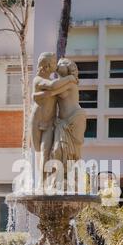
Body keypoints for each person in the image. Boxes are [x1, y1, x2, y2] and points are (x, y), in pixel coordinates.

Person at [31, 52, 76, 190]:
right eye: (54, 63)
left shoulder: (56, 83)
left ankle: (43, 184)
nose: (56, 65)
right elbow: (51, 87)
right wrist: (70, 78)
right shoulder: (38, 80)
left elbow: (57, 90)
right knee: (38, 152)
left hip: (49, 123)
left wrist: (69, 81)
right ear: (48, 65)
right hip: (37, 122)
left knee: (46, 152)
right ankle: (40, 182)